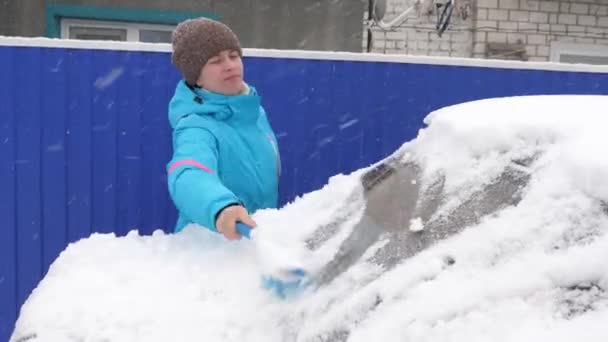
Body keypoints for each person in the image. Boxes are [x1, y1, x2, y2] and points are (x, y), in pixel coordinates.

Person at [167, 18, 280, 240]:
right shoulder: (197, 126)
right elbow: (188, 171)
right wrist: (222, 208)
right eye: (215, 61)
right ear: (196, 78)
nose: (229, 65)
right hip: (212, 253)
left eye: (233, 55)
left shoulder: (254, 114)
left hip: (255, 244)